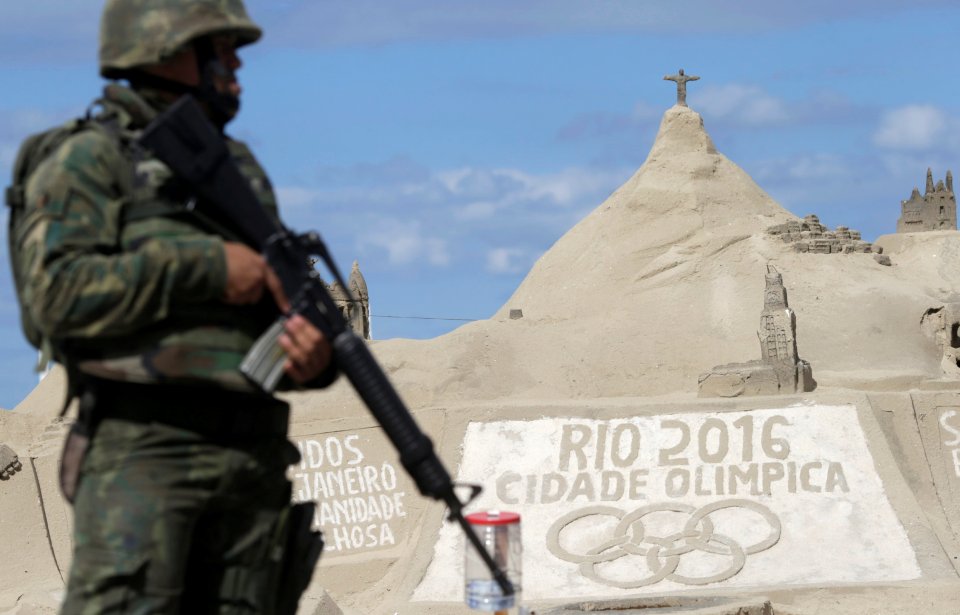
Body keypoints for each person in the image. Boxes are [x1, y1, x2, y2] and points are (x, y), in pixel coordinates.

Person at [9, 0, 334, 611]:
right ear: (165, 51)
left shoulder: (236, 167)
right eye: (220, 46)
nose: (237, 62)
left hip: (250, 461)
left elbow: (270, 311)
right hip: (146, 455)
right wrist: (207, 266)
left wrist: (309, 355)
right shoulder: (89, 160)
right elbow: (55, 297)